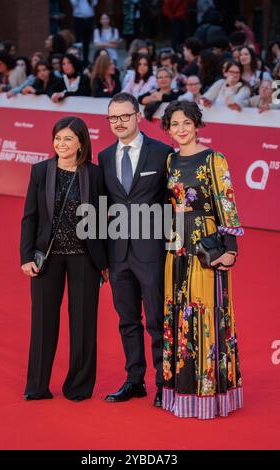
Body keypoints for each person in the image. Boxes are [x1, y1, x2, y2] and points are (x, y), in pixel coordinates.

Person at [161, 100, 244, 419]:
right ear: (168, 129)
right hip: (175, 243)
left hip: (205, 244)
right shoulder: (170, 161)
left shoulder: (214, 159)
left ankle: (209, 392)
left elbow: (227, 202)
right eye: (174, 124)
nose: (181, 130)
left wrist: (230, 249)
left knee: (205, 310)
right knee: (177, 310)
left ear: (197, 124)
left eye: (186, 123)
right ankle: (179, 390)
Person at [20, 116, 108, 401]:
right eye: (57, 138)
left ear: (82, 142)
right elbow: (30, 218)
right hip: (47, 257)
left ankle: (78, 387)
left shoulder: (94, 175)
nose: (61, 144)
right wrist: (25, 257)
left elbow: (103, 219)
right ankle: (37, 386)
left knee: (83, 324)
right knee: (43, 323)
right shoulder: (40, 172)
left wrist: (104, 261)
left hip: (85, 256)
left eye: (68, 138)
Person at [98, 92, 173, 407]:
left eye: (124, 116)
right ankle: (134, 381)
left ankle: (163, 383)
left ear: (138, 115)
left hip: (153, 251)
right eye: (113, 117)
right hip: (118, 254)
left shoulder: (162, 153)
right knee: (127, 319)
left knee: (157, 319)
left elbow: (174, 202)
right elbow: (102, 206)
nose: (119, 122)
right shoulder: (103, 156)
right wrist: (102, 257)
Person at [70, 0, 98, 66]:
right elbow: (73, 3)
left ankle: (86, 60)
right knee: (78, 41)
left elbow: (95, 3)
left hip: (89, 18)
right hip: (78, 18)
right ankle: (77, 59)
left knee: (87, 41)